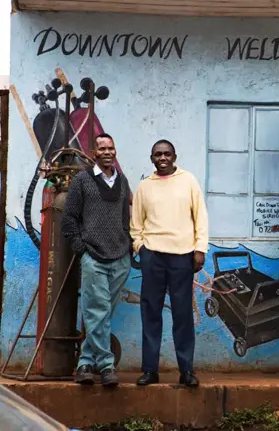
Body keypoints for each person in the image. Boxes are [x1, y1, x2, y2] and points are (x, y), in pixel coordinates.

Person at [130, 139, 208, 387]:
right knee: (151, 313)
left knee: (182, 314)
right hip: (153, 256)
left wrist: (199, 249)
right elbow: (136, 223)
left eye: (166, 154)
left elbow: (201, 217)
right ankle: (150, 370)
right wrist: (140, 248)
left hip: (182, 256)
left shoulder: (189, 181)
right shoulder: (145, 186)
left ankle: (186, 371)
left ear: (175, 156)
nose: (162, 158)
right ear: (151, 158)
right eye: (157, 155)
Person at [62, 133, 132, 386]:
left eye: (111, 147)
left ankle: (84, 363)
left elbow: (127, 218)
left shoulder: (123, 182)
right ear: (93, 153)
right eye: (101, 148)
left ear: (115, 151)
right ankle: (105, 365)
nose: (107, 152)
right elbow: (69, 218)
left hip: (120, 258)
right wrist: (81, 248)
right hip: (93, 257)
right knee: (98, 311)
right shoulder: (82, 180)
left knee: (100, 314)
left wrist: (130, 248)